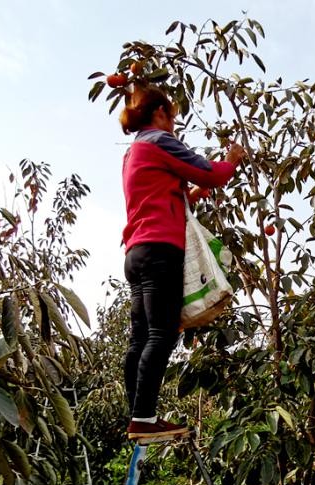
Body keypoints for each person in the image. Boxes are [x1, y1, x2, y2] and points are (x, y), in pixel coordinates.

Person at [120, 85, 245, 441]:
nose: (174, 122)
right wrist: (232, 160)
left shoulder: (134, 153)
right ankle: (144, 419)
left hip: (137, 251)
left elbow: (160, 193)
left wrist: (190, 194)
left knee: (140, 338)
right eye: (172, 114)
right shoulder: (160, 141)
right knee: (162, 334)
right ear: (159, 111)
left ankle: (138, 415)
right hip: (161, 249)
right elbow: (210, 172)